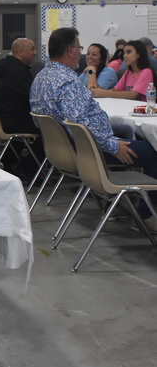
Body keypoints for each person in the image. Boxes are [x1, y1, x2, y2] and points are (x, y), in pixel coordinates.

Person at [29, 27, 157, 228]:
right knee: (152, 151)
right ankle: (145, 214)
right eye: (79, 48)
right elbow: (78, 125)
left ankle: (123, 204)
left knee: (126, 136)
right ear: (71, 51)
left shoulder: (41, 77)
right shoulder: (67, 82)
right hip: (89, 150)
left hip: (65, 149)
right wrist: (113, 146)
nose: (81, 54)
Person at [0, 37, 38, 133]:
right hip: (14, 122)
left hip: (1, 120)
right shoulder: (19, 72)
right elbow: (32, 98)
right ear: (20, 52)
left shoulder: (5, 68)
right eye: (32, 49)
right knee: (49, 127)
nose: (35, 52)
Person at [91, 40, 157, 101]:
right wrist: (98, 91)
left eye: (129, 52)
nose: (125, 56)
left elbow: (133, 95)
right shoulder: (128, 72)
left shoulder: (146, 72)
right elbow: (116, 90)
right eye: (124, 53)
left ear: (138, 54)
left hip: (142, 109)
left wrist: (104, 93)